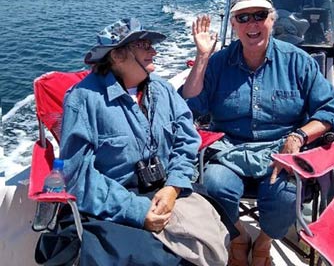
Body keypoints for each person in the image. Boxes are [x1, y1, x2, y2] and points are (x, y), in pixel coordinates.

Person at [180, 0, 334, 266]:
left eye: (260, 15)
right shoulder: (218, 62)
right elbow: (190, 107)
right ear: (233, 25)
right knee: (214, 185)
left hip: (281, 149)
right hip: (229, 149)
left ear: (272, 20)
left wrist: (299, 136)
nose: (252, 23)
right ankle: (239, 237)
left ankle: (264, 242)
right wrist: (203, 57)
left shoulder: (297, 61)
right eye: (243, 18)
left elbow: (331, 111)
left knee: (285, 197)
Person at [53, 17, 230, 266]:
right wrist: (135, 210)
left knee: (214, 238)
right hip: (112, 204)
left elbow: (187, 140)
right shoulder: (83, 100)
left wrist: (174, 186)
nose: (154, 51)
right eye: (144, 45)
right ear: (117, 56)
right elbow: (77, 174)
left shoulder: (163, 90)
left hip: (167, 189)